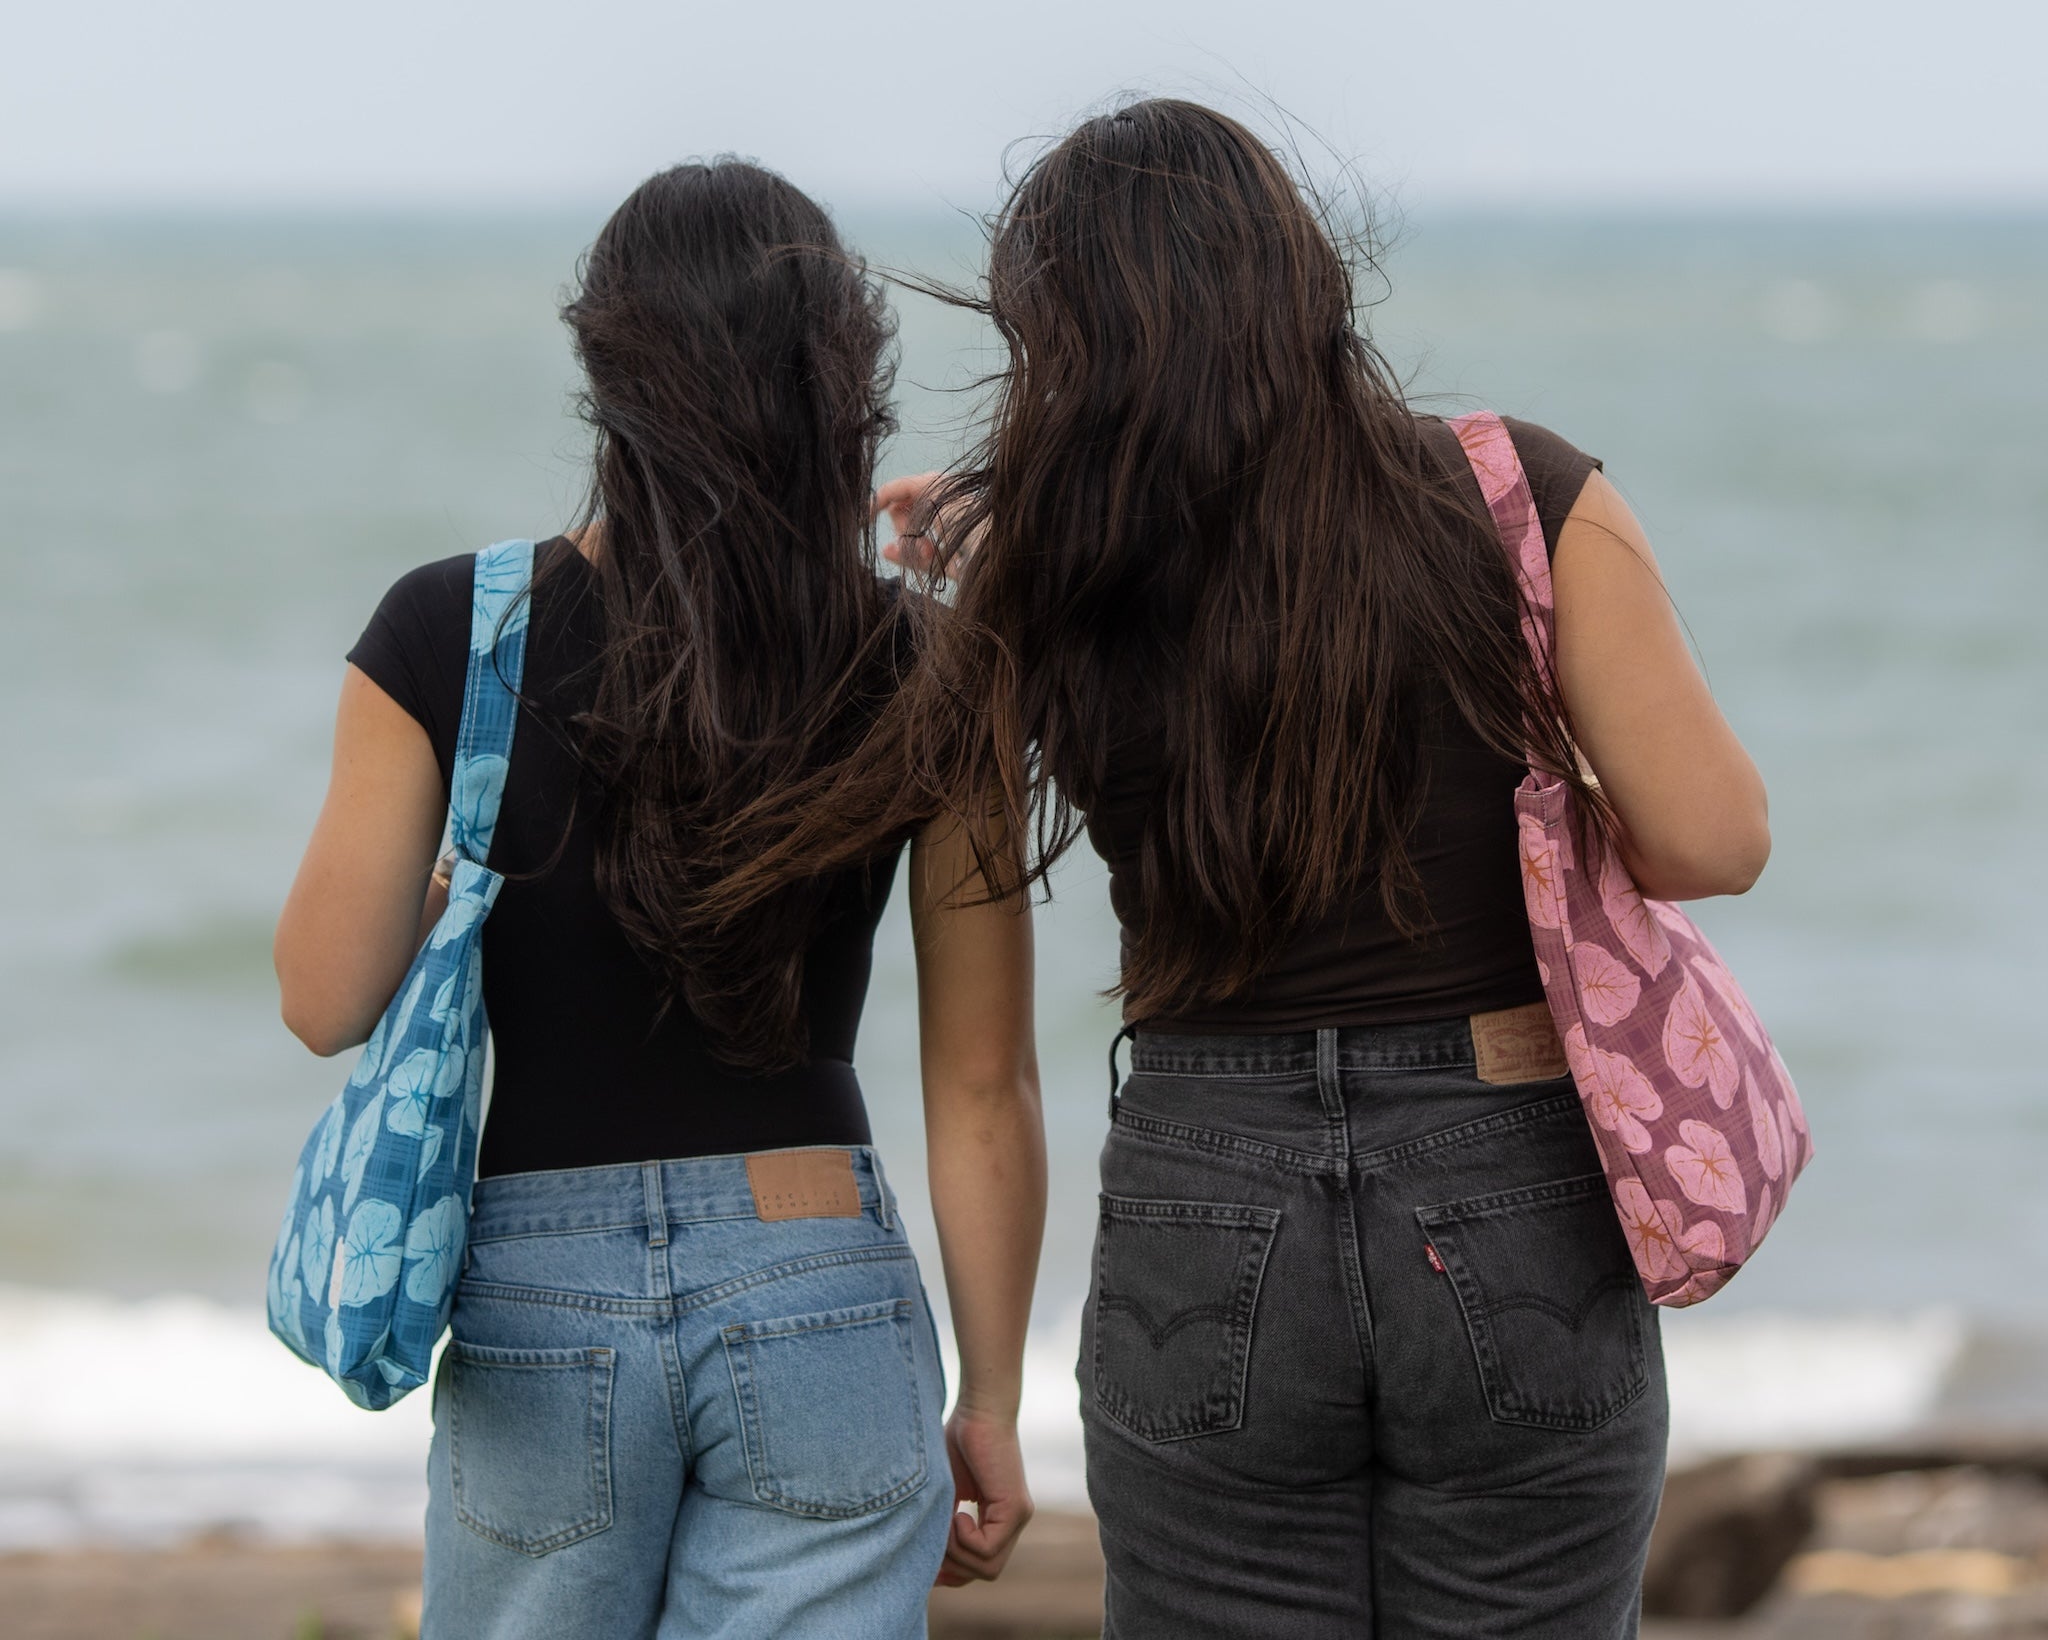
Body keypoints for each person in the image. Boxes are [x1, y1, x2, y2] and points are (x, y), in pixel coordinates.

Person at [860, 101, 1771, 1636]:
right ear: (1300, 273)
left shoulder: (1041, 577)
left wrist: (990, 1391)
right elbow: (1715, 839)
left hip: (1202, 1189)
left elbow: (977, 1062)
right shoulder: (1520, 493)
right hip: (1508, 1171)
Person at [272, 160, 1044, 1639]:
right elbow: (983, 1081)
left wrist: (450, 886)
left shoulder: (450, 631)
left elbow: (321, 1002)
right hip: (819, 1272)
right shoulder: (936, 662)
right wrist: (994, 1398)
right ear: (842, 383)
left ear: (607, 375)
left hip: (537, 1298)